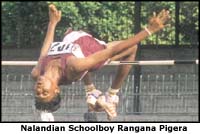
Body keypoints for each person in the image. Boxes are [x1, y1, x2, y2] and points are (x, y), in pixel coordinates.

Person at [31, 4, 170, 121]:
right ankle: (111, 95)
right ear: (56, 90)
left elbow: (45, 50)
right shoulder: (73, 67)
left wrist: (52, 23)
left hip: (73, 38)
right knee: (132, 48)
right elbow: (111, 51)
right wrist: (149, 30)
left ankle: (92, 93)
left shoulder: (37, 72)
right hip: (92, 48)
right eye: (44, 93)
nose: (39, 89)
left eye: (37, 93)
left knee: (78, 57)